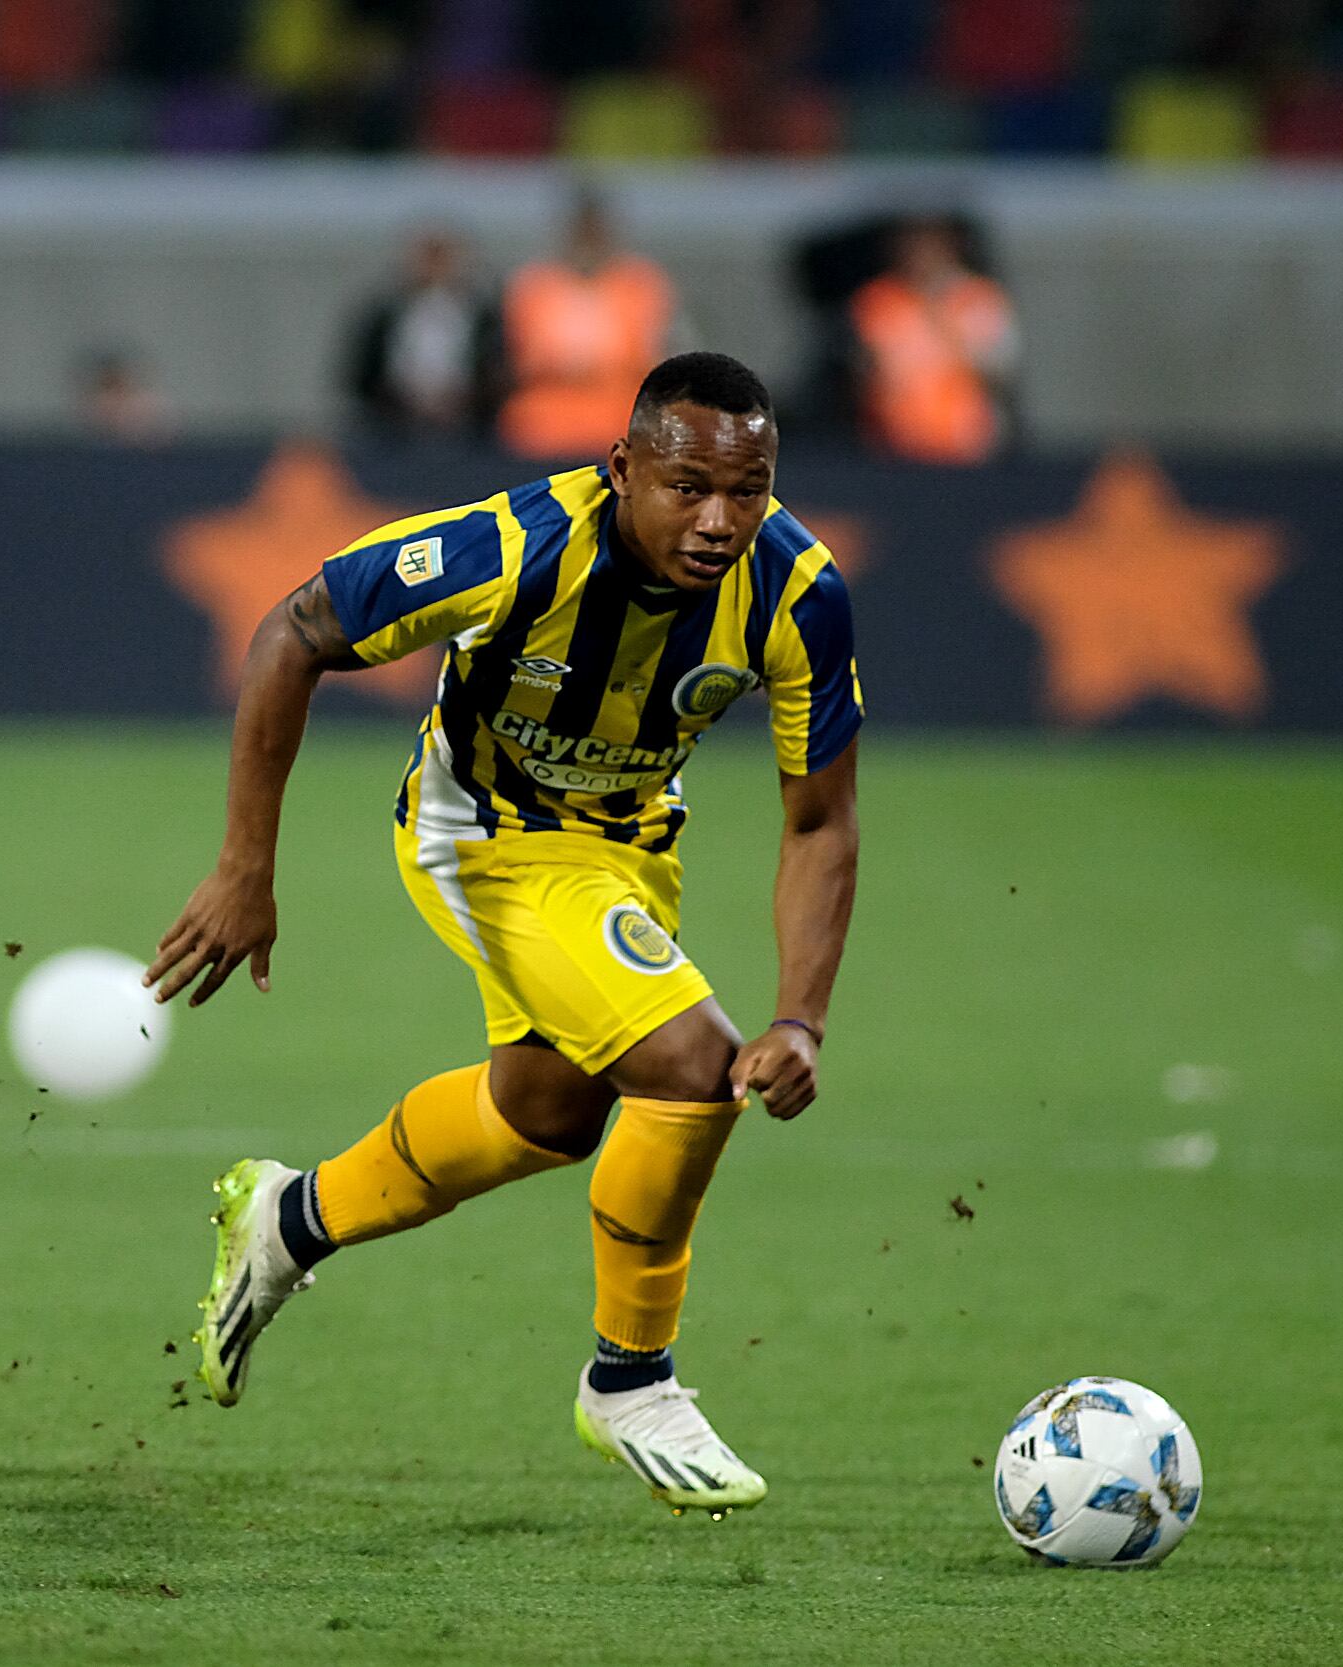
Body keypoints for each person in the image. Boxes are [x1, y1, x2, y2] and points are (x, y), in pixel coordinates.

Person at [151, 352, 861, 1516]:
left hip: (629, 846)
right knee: (689, 1065)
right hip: (483, 834)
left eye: (749, 489)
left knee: (547, 1112)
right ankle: (630, 1377)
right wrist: (243, 868)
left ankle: (288, 1218)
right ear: (622, 466)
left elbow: (821, 815)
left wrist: (804, 1014)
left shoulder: (798, 589)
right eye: (688, 487)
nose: (720, 520)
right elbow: (294, 631)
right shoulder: (514, 546)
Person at [499, 191, 680, 460]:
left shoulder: (641, 283)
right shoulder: (534, 284)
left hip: (618, 416)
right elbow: (522, 359)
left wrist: (595, 365)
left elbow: (652, 356)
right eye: (581, 230)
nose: (588, 238)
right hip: (544, 420)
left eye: (595, 230)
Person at [848, 217, 1017, 464]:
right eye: (911, 242)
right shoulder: (879, 298)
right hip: (893, 443)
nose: (919, 252)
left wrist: (939, 314)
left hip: (968, 442)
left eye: (929, 242)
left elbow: (999, 369)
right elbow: (868, 372)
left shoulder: (977, 296)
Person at [343, 226, 504, 442]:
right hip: (394, 428)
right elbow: (360, 374)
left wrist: (463, 399)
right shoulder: (383, 316)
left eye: (442, 257)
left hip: (471, 429)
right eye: (428, 257)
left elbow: (497, 371)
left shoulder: (484, 318)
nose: (435, 267)